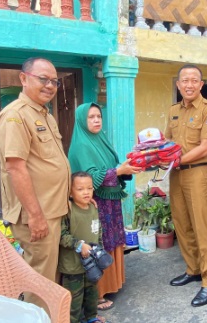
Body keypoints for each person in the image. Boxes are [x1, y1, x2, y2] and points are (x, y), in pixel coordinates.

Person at [0, 57, 71, 309]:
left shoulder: (44, 115)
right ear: (24, 78)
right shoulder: (15, 116)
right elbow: (16, 168)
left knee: (47, 277)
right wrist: (35, 215)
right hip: (37, 214)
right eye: (43, 79)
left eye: (54, 81)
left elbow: (48, 165)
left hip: (52, 209)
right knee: (39, 281)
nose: (50, 85)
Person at [68, 102, 142, 311]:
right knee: (98, 242)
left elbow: (111, 167)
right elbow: (89, 176)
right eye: (91, 117)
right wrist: (119, 171)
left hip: (110, 202)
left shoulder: (101, 140)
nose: (96, 120)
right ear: (82, 121)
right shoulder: (82, 145)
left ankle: (112, 283)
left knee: (111, 239)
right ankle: (97, 293)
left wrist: (127, 168)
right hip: (93, 202)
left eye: (98, 116)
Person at [165, 64, 207, 307]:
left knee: (202, 227)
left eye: (193, 80)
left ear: (201, 85)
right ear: (178, 84)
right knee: (182, 223)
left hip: (197, 174)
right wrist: (155, 152)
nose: (188, 84)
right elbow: (167, 141)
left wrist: (174, 159)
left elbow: (206, 147)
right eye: (184, 80)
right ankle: (193, 269)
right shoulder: (173, 110)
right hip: (175, 174)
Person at [59, 171, 104, 323]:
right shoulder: (68, 209)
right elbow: (61, 234)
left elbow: (97, 230)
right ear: (70, 192)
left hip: (91, 264)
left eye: (89, 188)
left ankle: (92, 317)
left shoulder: (93, 207)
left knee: (92, 293)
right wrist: (79, 245)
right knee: (74, 300)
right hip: (73, 266)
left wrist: (100, 251)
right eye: (80, 189)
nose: (86, 192)